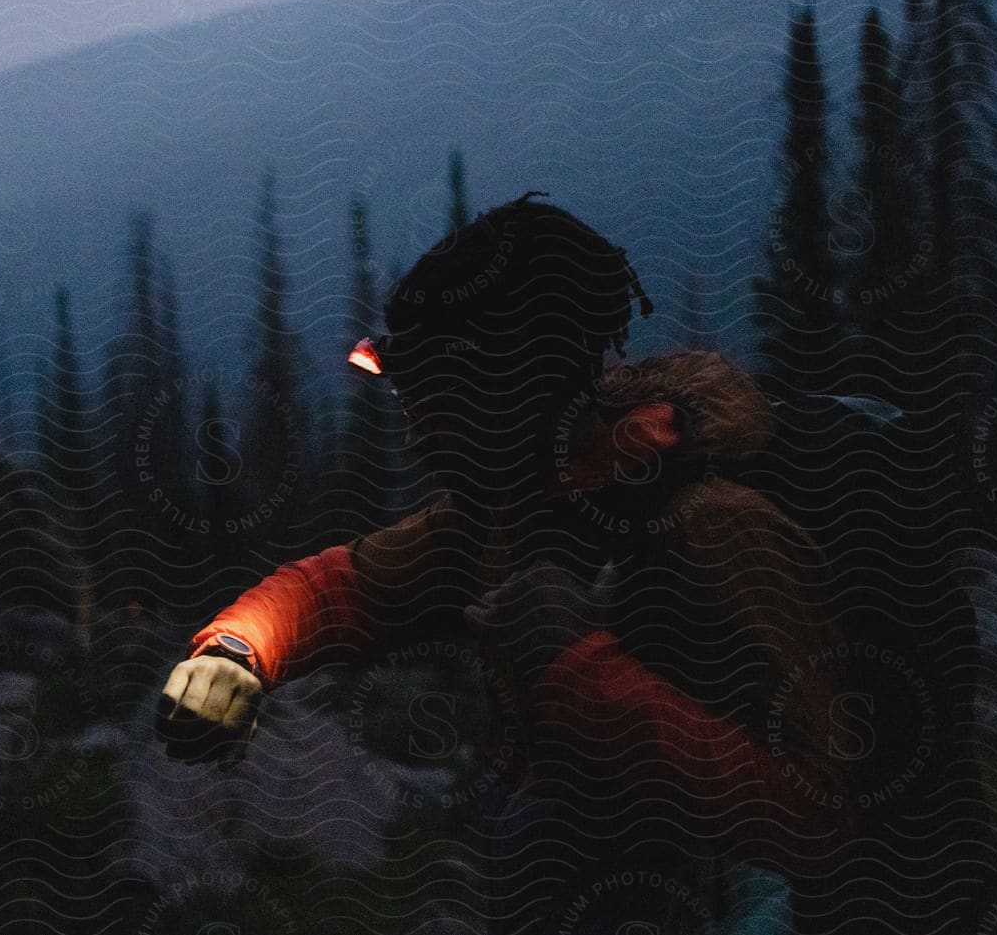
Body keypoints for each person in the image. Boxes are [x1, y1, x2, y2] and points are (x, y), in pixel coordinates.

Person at [155, 193, 859, 932]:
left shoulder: (718, 527)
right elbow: (339, 588)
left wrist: (580, 667)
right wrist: (238, 650)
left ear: (521, 381)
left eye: (438, 398)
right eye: (405, 393)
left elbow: (817, 827)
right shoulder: (512, 499)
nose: (417, 436)